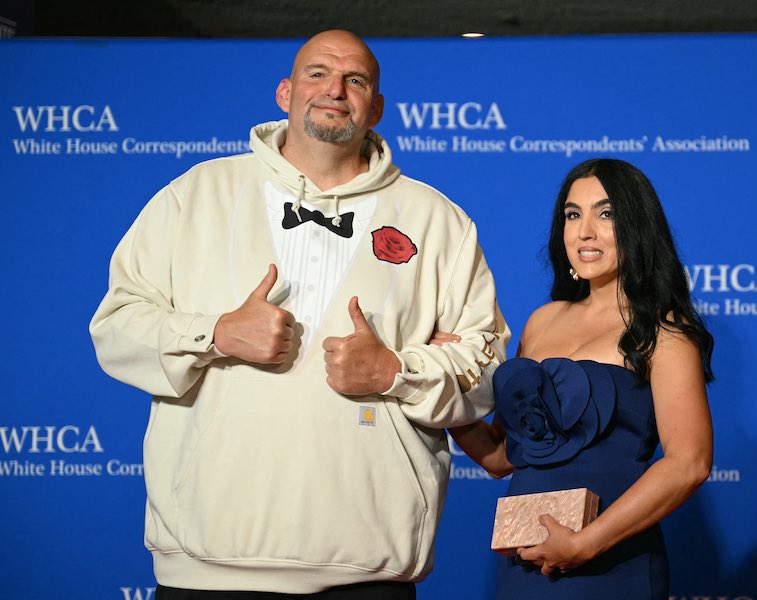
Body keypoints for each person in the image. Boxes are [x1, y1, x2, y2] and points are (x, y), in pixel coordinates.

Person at [89, 30, 508, 599]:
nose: (334, 90)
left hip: (369, 569)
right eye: (317, 74)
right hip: (205, 565)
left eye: (354, 80)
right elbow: (114, 329)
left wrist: (394, 372)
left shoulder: (438, 222)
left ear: (377, 107)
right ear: (285, 92)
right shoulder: (195, 195)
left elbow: (483, 373)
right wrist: (214, 333)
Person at [442, 158, 713, 599]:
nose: (585, 231)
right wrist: (439, 384)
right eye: (573, 214)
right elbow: (499, 456)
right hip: (526, 567)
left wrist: (585, 544)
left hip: (611, 565)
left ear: (637, 227)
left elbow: (690, 463)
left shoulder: (664, 331)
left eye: (606, 214)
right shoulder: (542, 322)